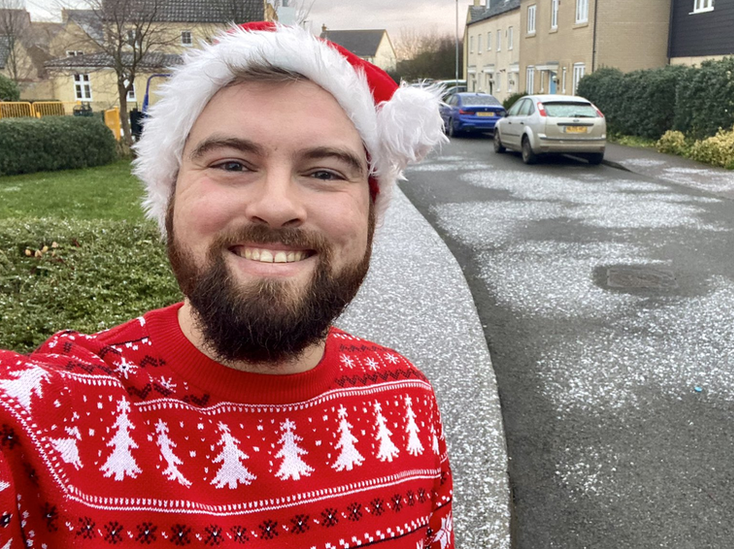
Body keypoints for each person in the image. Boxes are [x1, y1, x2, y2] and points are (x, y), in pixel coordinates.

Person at [0, 22, 453, 548]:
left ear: (370, 212)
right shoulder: (40, 416)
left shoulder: (407, 400)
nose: (278, 206)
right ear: (170, 197)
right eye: (233, 164)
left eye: (326, 172)